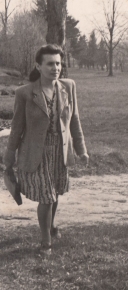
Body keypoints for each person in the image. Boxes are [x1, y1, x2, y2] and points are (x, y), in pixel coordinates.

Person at [3, 44, 89, 255]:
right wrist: (9, 156)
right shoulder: (25, 93)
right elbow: (17, 127)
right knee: (47, 197)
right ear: (38, 66)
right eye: (50, 63)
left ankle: (49, 226)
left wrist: (81, 150)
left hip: (60, 151)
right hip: (36, 153)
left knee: (55, 192)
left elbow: (74, 121)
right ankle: (46, 242)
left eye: (58, 63)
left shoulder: (68, 87)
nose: (55, 68)